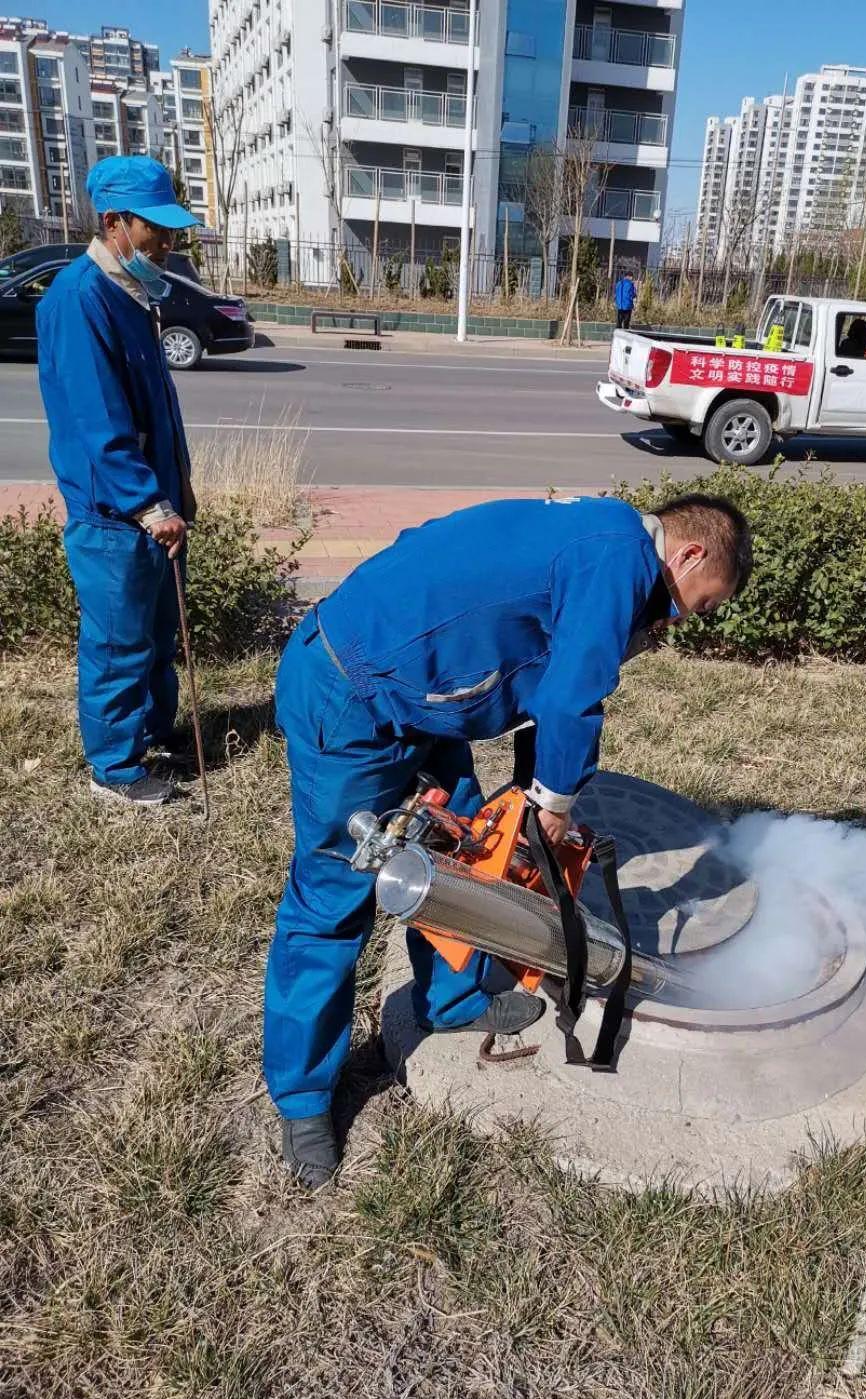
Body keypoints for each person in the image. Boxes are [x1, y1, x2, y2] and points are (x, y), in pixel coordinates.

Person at [266, 492, 753, 1188]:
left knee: (470, 850)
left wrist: (532, 791)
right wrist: (552, 805)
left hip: (425, 696)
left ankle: (451, 999)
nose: (683, 622)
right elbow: (570, 696)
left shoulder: (602, 543)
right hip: (350, 692)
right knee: (332, 899)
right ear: (689, 554)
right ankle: (303, 1095)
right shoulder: (616, 562)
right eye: (698, 604)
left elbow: (539, 671)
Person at [36, 155, 199, 807]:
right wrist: (147, 503)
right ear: (113, 222)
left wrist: (177, 492)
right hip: (116, 519)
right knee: (119, 645)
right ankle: (117, 767)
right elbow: (98, 420)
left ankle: (154, 734)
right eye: (155, 227)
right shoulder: (80, 300)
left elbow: (156, 410)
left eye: (171, 227)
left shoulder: (132, 296)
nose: (167, 241)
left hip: (155, 511)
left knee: (157, 639)